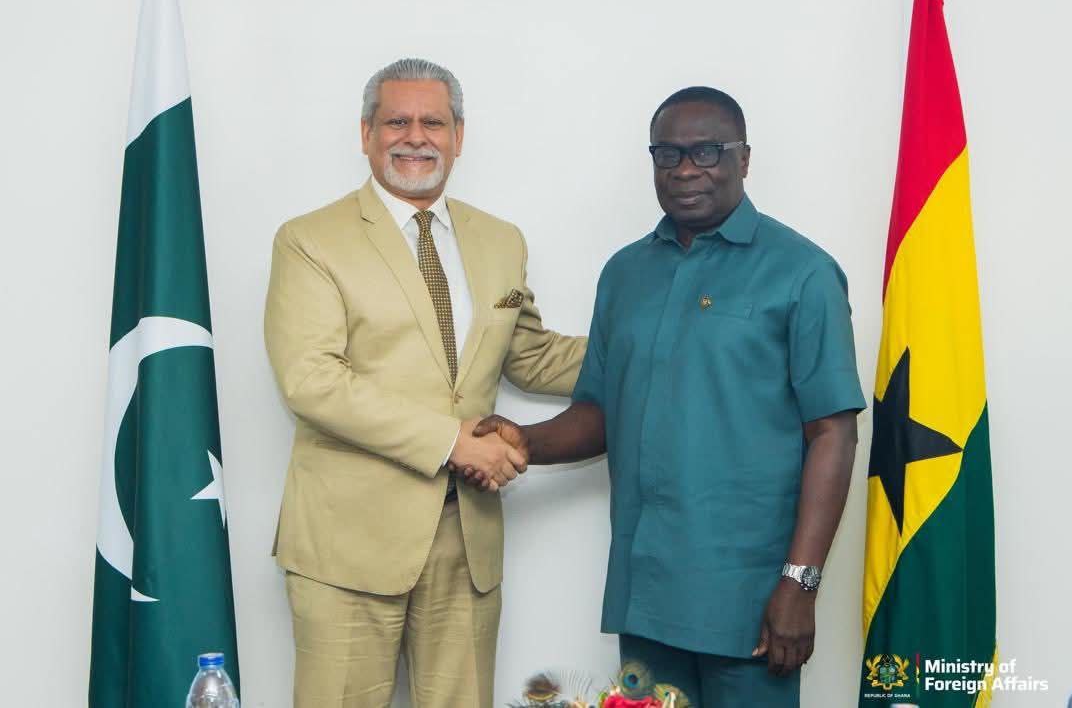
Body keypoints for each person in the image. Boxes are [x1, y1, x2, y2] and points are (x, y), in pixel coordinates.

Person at [463, 87, 865, 707]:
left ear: (744, 159)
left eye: (707, 152)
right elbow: (602, 411)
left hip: (752, 599)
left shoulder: (803, 273)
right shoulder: (625, 273)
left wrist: (801, 582)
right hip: (646, 591)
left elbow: (833, 433)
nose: (684, 169)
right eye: (668, 154)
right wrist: (526, 441)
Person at [264, 58, 585, 708]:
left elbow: (530, 355)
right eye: (397, 122)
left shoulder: (500, 241)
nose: (416, 137)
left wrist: (654, 350)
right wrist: (452, 442)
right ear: (366, 133)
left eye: (433, 123)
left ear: (458, 136)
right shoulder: (309, 241)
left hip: (467, 540)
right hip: (346, 545)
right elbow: (311, 379)